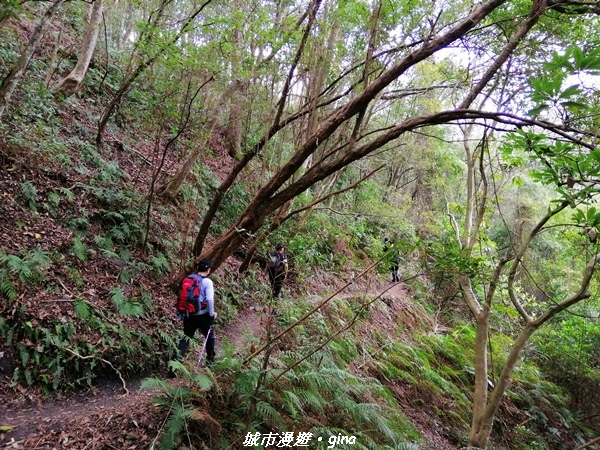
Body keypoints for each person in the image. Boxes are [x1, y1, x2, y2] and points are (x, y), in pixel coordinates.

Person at [177, 258, 217, 364]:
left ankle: (175, 364)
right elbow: (209, 299)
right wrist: (212, 314)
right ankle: (210, 361)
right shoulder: (207, 282)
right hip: (202, 315)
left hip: (188, 314)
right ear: (208, 270)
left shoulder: (189, 278)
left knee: (185, 338)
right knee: (210, 337)